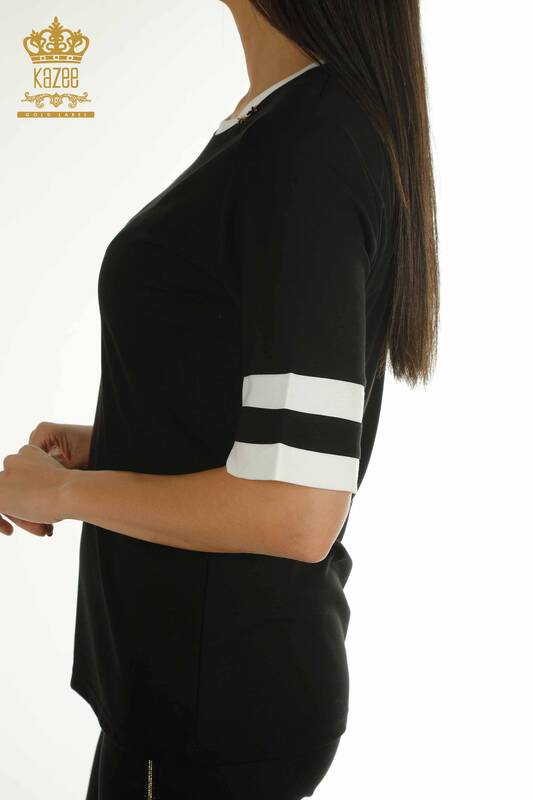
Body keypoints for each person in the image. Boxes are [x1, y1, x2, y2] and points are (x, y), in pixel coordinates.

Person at [0, 1, 439, 797]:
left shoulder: (310, 145)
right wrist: (119, 438)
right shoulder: (282, 122)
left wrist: (61, 494)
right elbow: (260, 431)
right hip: (189, 694)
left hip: (211, 708)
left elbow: (297, 508)